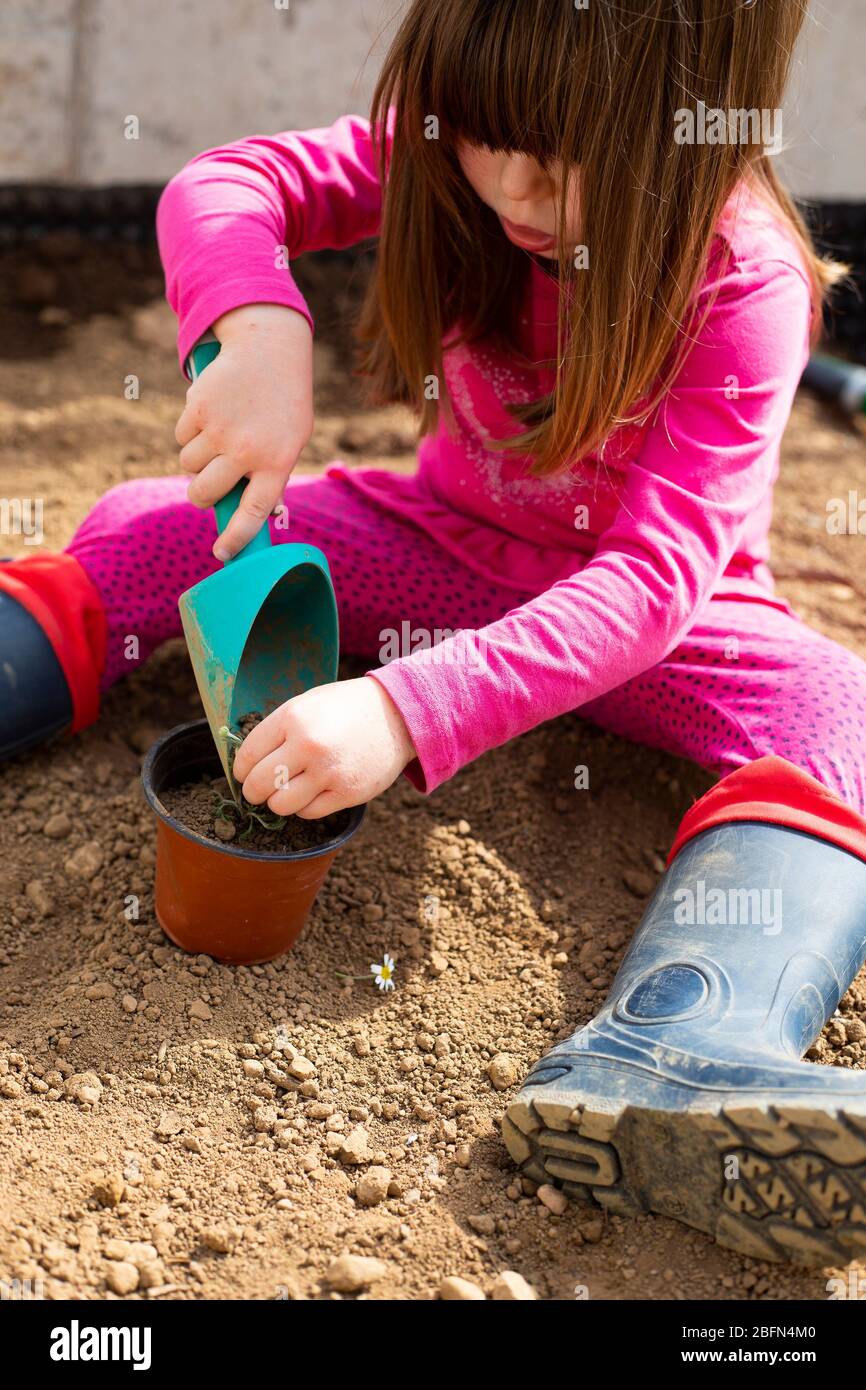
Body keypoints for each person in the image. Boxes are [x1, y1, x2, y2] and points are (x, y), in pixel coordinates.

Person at [3, 0, 865, 1264]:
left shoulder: (742, 276)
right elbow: (227, 183)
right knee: (150, 526)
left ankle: (683, 1042)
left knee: (837, 711)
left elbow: (652, 582)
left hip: (653, 625)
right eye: (488, 136)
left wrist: (404, 708)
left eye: (564, 154)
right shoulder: (449, 151)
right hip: (436, 551)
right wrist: (254, 322)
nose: (512, 184)